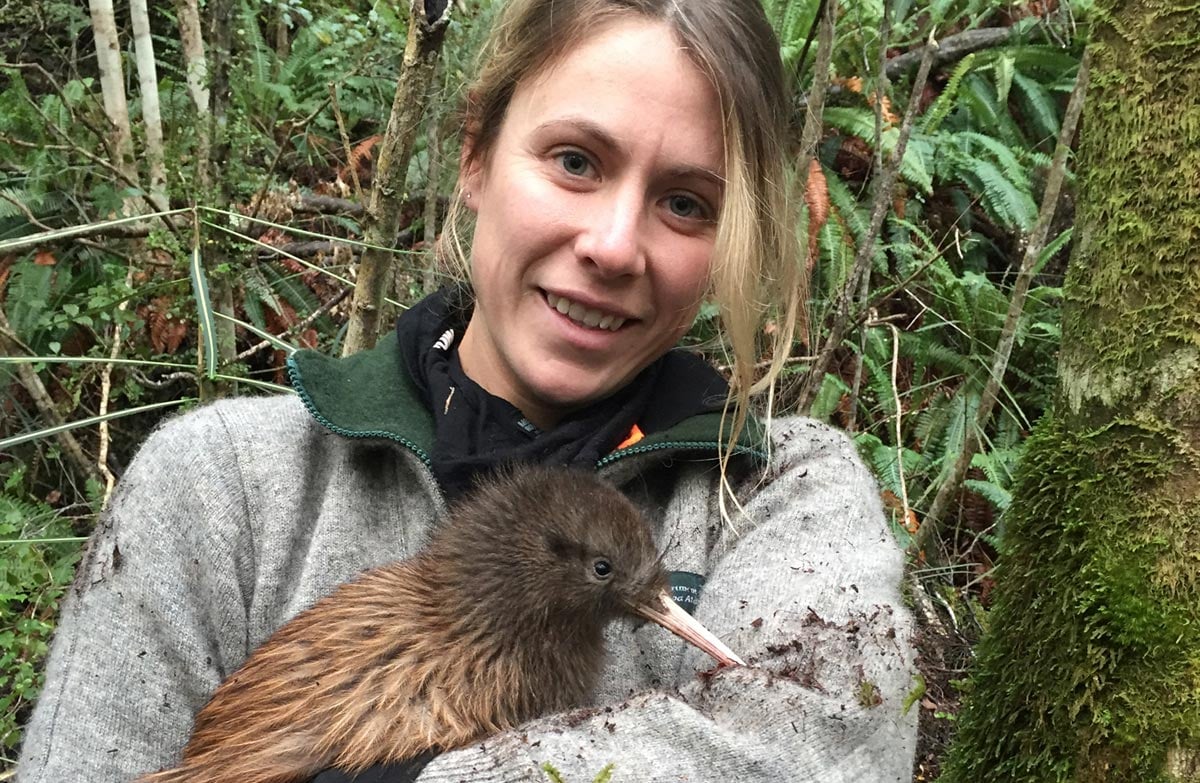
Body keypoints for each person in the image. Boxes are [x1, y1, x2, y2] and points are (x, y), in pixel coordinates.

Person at [17, 1, 918, 781]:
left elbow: (831, 746)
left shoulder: (776, 494)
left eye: (686, 203)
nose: (612, 245)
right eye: (575, 160)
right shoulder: (224, 485)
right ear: (475, 157)